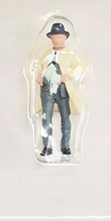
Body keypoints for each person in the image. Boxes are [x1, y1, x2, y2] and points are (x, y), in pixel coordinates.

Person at [33, 22, 87, 157]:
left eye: (59, 37)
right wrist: (38, 75)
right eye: (54, 37)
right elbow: (37, 68)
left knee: (65, 119)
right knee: (46, 119)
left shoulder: (70, 54)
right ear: (50, 38)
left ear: (65, 38)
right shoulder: (45, 54)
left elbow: (81, 68)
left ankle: (65, 146)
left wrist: (68, 76)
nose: (56, 40)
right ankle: (47, 146)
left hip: (62, 90)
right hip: (47, 90)